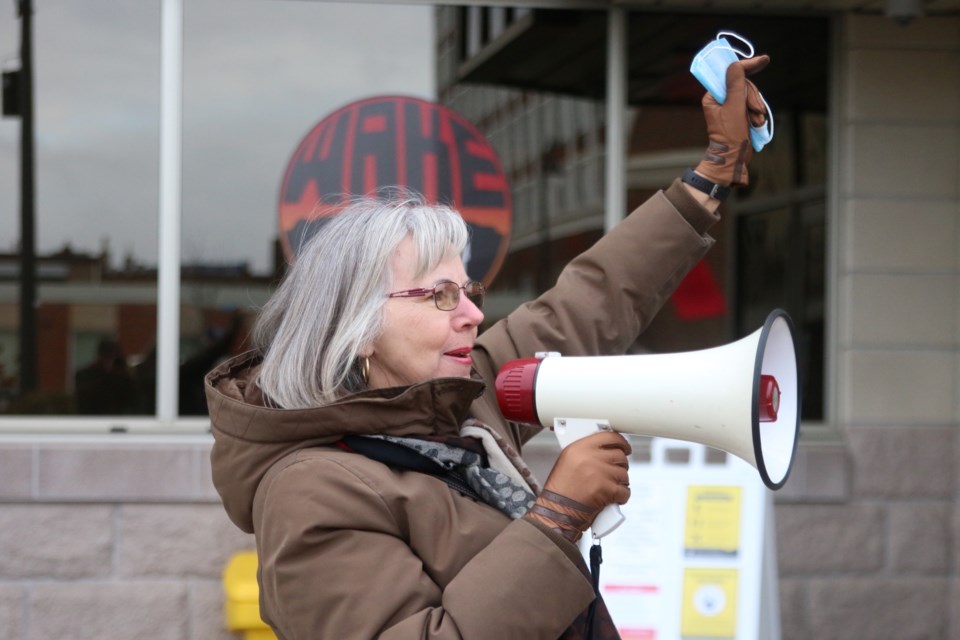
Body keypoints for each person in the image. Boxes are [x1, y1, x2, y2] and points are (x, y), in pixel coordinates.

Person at [206, 54, 770, 640]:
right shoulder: (308, 491)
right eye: (442, 296)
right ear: (360, 327)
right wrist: (557, 517)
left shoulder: (454, 401)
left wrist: (713, 172)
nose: (474, 315)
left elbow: (588, 304)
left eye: (470, 291)